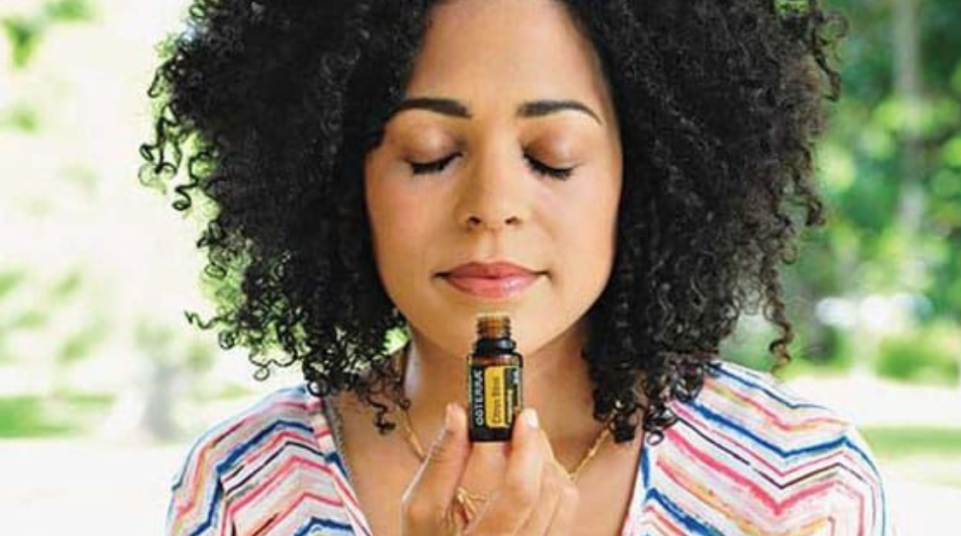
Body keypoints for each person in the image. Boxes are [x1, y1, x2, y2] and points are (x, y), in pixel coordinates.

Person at [140, 0, 896, 535]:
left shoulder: (796, 484)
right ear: (339, 178)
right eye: (430, 154)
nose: (492, 206)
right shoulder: (247, 488)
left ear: (641, 175)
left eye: (552, 157)